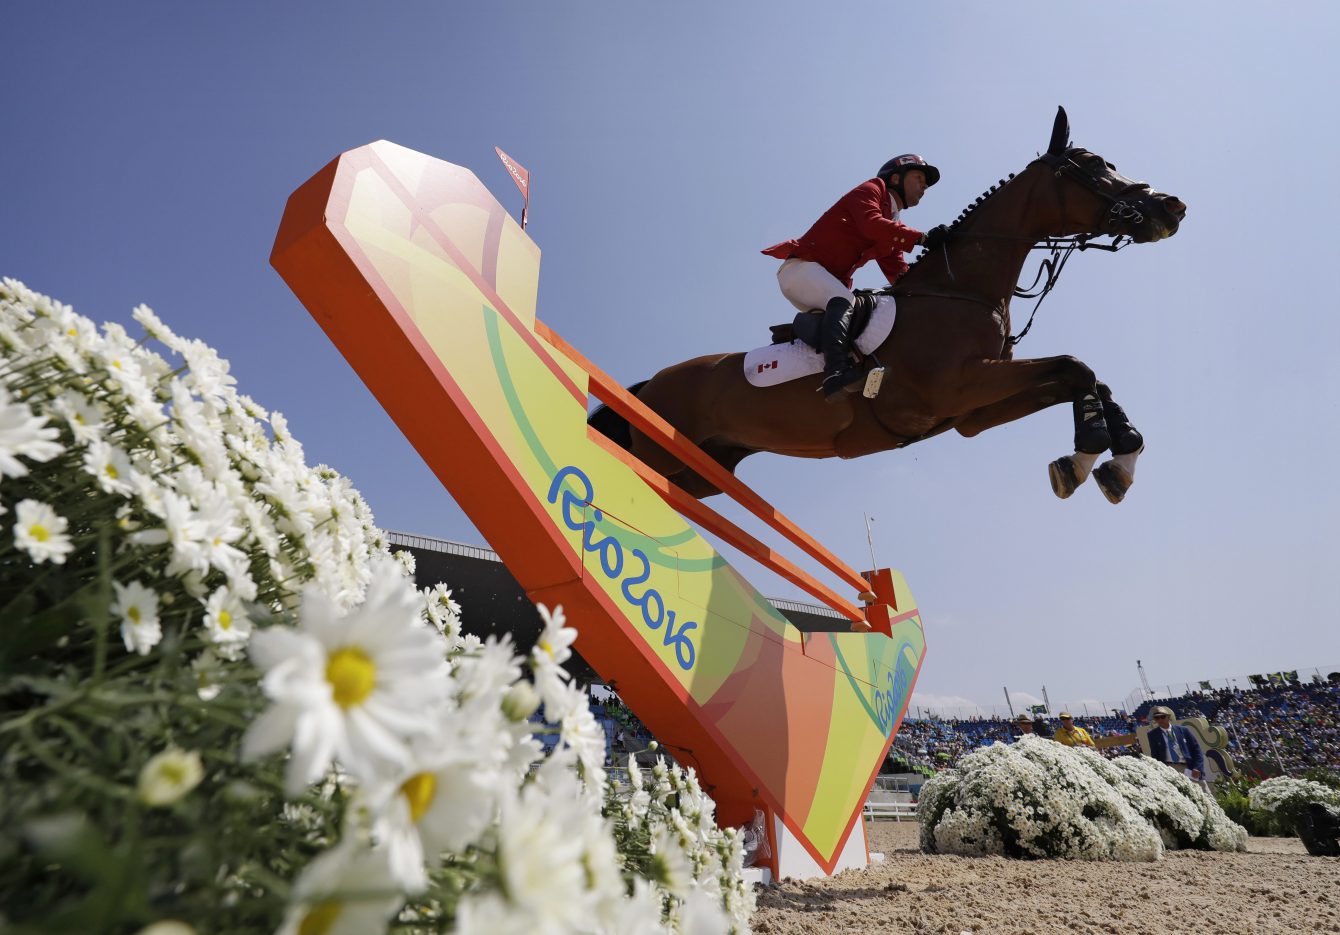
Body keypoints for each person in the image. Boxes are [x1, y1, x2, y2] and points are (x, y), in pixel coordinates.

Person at [761, 154, 950, 402]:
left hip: (819, 280)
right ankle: (835, 374)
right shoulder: (873, 189)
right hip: (800, 271)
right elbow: (871, 224)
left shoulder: (893, 223)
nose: (924, 185)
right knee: (845, 300)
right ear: (896, 178)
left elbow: (899, 273)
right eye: (919, 177)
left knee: (864, 312)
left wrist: (934, 287)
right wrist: (922, 238)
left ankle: (849, 363)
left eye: (925, 182)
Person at [1146, 706, 1205, 781]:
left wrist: (1197, 767)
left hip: (1188, 767)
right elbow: (1155, 755)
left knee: (1202, 787)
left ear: (1168, 717)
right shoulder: (1152, 735)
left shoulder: (1183, 730)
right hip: (1168, 769)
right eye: (1157, 718)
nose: (1160, 719)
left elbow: (1196, 750)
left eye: (1163, 717)